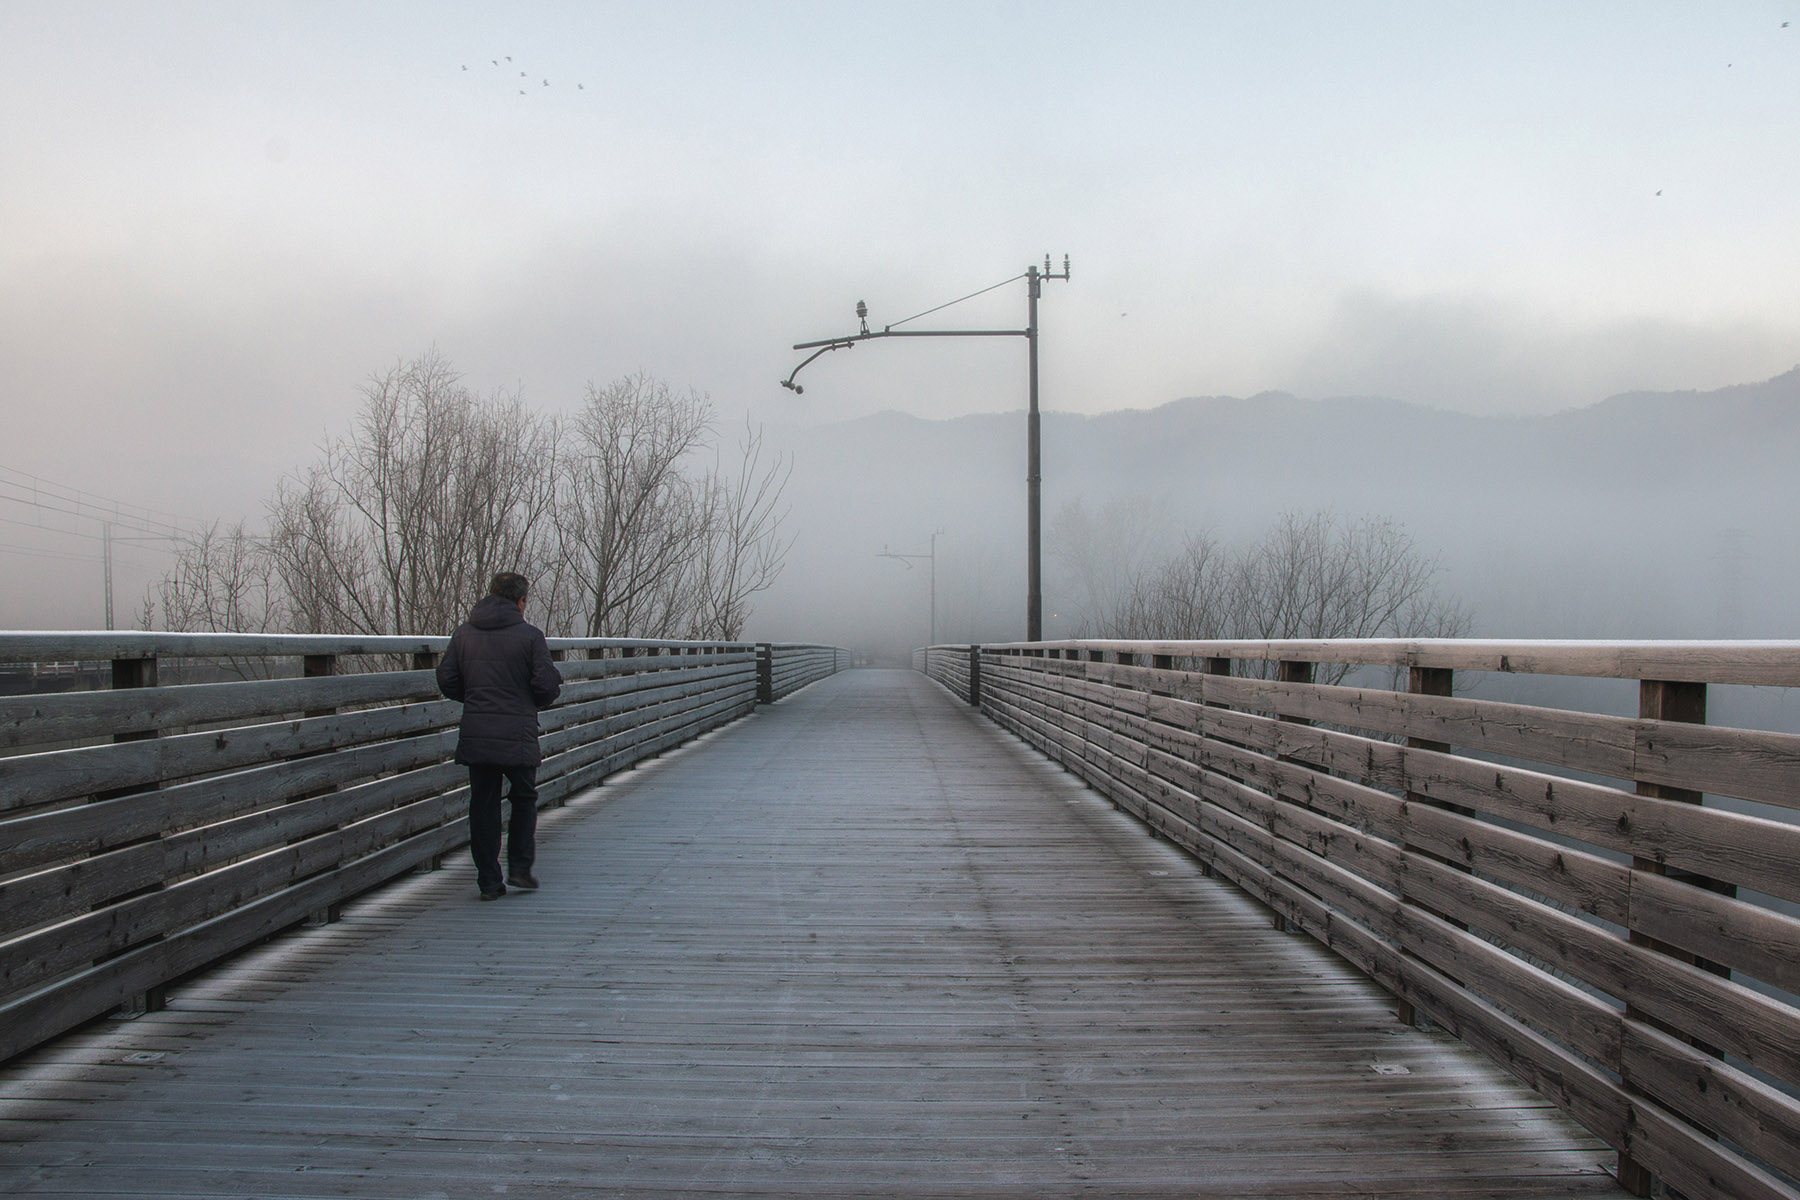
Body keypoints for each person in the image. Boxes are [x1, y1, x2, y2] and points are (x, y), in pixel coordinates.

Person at [435, 572, 562, 901]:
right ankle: (519, 867)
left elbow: (447, 679)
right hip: (517, 733)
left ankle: (489, 881)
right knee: (523, 799)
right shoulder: (530, 637)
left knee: (483, 804)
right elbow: (546, 687)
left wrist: (476, 699)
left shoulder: (464, 634)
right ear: (520, 602)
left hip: (478, 733)